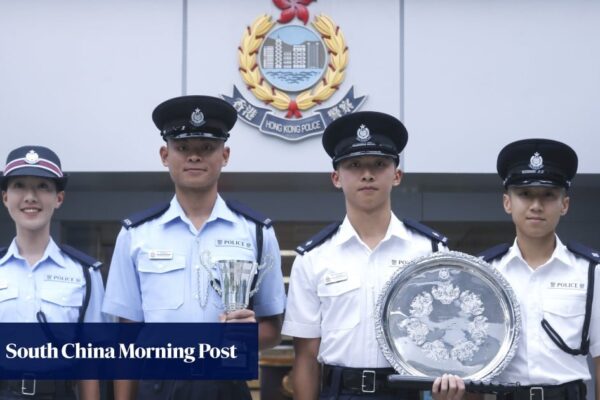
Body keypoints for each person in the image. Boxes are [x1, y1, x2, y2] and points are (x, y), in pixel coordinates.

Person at [101, 95, 286, 400]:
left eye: (207, 148)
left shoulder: (256, 232)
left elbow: (273, 327)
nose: (194, 157)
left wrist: (248, 335)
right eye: (183, 147)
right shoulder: (136, 235)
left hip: (226, 386)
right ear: (164, 154)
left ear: (225, 155)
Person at [282, 111, 457, 400]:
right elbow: (306, 356)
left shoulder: (430, 251)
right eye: (354, 165)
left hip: (406, 391)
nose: (367, 174)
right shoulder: (314, 257)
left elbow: (449, 335)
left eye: (379, 164)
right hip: (339, 392)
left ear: (397, 175)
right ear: (336, 178)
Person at [472, 139, 599, 400]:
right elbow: (473, 363)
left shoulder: (591, 272)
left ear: (564, 205)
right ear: (508, 202)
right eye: (525, 194)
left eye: (548, 195)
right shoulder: (484, 273)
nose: (536, 206)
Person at [0, 145, 106, 399]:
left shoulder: (86, 274)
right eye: (19, 186)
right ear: (5, 197)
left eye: (43, 186)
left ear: (59, 198)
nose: (30, 196)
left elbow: (89, 363)